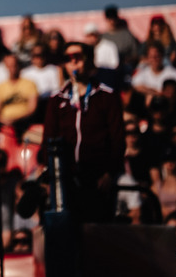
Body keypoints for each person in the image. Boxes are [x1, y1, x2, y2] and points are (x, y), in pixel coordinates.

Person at [43, 42, 125, 224]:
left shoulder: (106, 96)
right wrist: (51, 177)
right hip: (66, 178)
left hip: (98, 178)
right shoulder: (56, 99)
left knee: (97, 230)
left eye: (78, 57)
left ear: (89, 61)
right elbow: (48, 138)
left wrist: (109, 173)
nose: (73, 62)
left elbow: (117, 138)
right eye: (68, 59)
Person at [131, 40, 176, 105]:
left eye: (157, 56)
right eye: (151, 57)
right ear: (147, 58)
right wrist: (157, 93)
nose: (154, 59)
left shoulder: (173, 73)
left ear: (162, 56)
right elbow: (137, 87)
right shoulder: (142, 73)